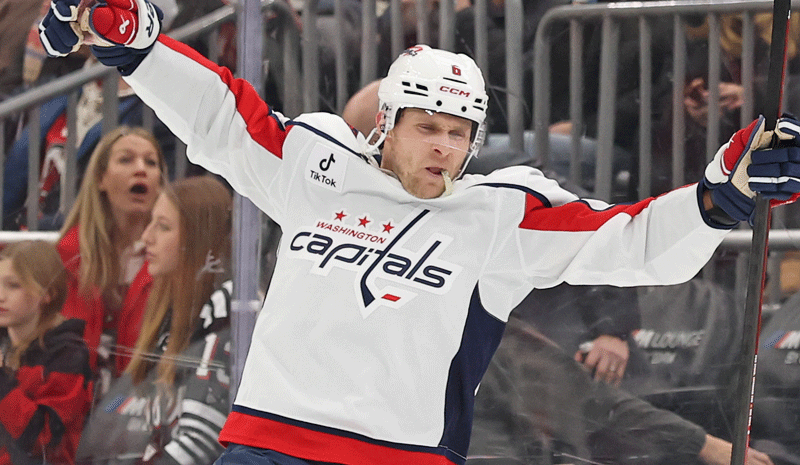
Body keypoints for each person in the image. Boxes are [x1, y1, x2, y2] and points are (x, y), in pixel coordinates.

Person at [38, 2, 800, 464]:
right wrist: (135, 43)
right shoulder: (318, 164)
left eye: (460, 132)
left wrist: (717, 194)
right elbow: (220, 117)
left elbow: (627, 239)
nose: (445, 146)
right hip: (269, 442)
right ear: (386, 126)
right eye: (427, 127)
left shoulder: (503, 212)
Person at [76, 175, 233, 464]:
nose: (146, 237)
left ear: (199, 239)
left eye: (163, 226)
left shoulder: (226, 309)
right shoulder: (168, 308)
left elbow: (202, 442)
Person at [56, 125, 166, 395]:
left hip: (141, 404)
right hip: (74, 409)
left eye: (150, 162)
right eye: (126, 160)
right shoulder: (68, 255)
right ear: (101, 179)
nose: (140, 169)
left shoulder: (174, 260)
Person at [0, 240, 93, 465]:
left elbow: (44, 440)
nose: (0, 295)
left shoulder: (67, 354)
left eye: (14, 285)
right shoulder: (5, 345)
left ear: (47, 294)